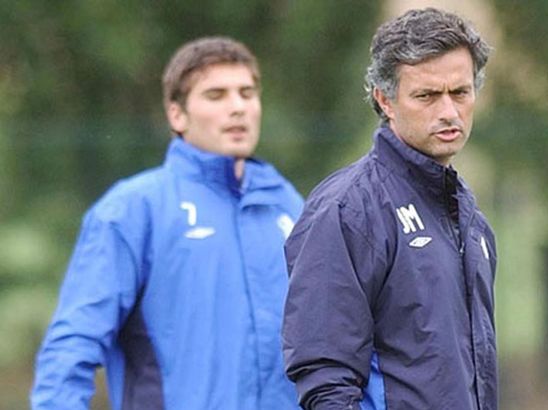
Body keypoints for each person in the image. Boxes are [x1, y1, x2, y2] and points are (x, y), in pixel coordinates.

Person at [31, 37, 303, 410]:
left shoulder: (289, 206)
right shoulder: (132, 209)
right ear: (177, 115)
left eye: (247, 93)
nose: (237, 108)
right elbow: (72, 346)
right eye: (216, 95)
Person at [282, 8, 497, 410]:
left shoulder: (471, 218)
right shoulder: (348, 210)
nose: (449, 112)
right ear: (386, 100)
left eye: (461, 92)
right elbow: (325, 380)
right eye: (427, 95)